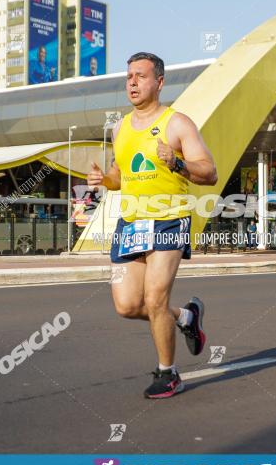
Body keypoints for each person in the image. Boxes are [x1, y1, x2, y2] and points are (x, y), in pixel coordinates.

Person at [86, 52, 217, 399]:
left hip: (169, 218)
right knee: (128, 305)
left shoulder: (178, 123)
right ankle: (187, 318)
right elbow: (120, 175)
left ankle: (168, 373)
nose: (131, 82)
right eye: (129, 76)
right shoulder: (120, 127)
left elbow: (209, 171)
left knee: (155, 298)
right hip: (130, 223)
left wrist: (176, 162)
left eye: (140, 76)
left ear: (159, 82)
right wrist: (104, 180)